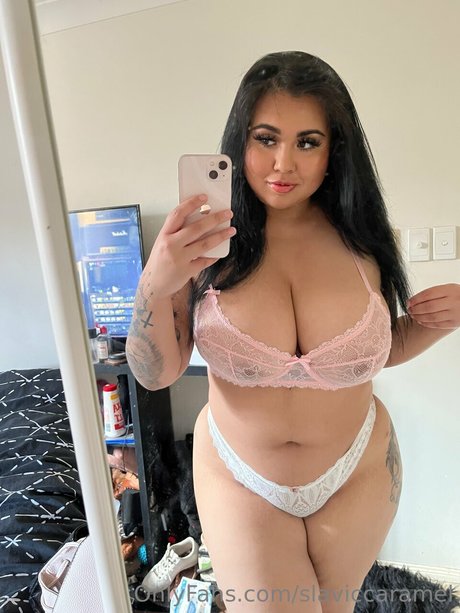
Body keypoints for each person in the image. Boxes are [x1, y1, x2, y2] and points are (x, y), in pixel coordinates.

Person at [126, 51, 459, 612]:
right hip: (241, 477)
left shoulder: (364, 241)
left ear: (334, 151)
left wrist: (438, 324)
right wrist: (154, 285)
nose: (283, 164)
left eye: (307, 142)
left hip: (356, 470)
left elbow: (372, 354)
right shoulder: (202, 244)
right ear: (240, 141)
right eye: (266, 139)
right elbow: (156, 373)